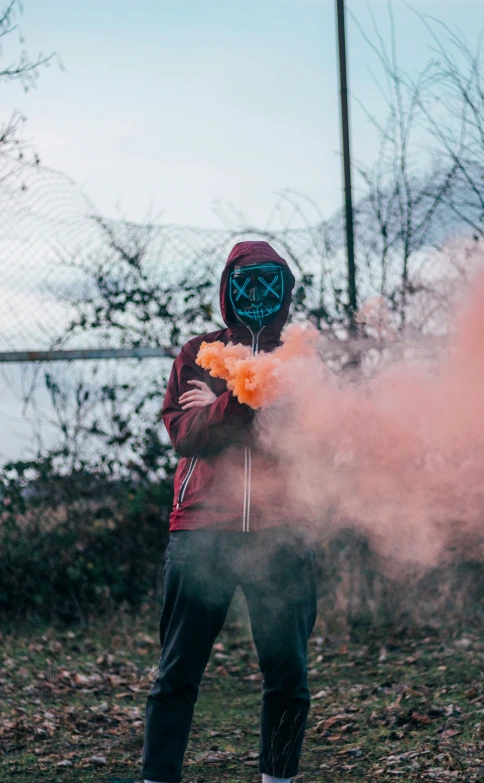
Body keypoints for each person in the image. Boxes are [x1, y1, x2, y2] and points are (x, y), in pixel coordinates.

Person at [141, 240, 317, 783]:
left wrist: (219, 405)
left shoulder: (304, 358)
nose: (258, 293)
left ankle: (277, 779)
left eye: (269, 281)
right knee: (177, 673)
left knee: (287, 673)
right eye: (246, 282)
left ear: (286, 288)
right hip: (201, 534)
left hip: (282, 533)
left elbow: (309, 437)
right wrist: (244, 399)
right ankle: (157, 777)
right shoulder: (198, 352)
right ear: (228, 289)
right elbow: (185, 434)